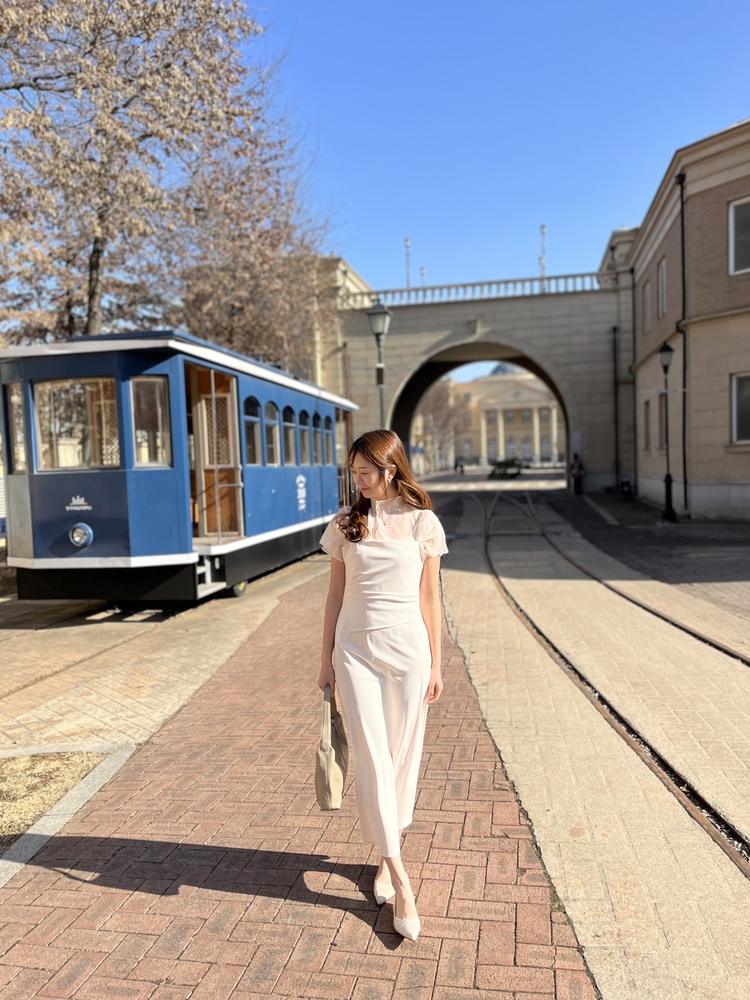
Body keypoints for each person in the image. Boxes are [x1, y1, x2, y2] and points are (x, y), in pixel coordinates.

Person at [318, 429, 448, 942]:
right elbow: (333, 596)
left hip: (409, 654)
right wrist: (324, 660)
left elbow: (431, 599)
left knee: (400, 757)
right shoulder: (345, 524)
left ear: (390, 470)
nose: (358, 480)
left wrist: (437, 664)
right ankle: (400, 875)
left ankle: (384, 851)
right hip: (354, 652)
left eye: (365, 472)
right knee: (372, 757)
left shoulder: (423, 523)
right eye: (353, 472)